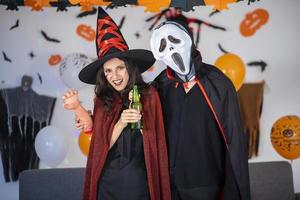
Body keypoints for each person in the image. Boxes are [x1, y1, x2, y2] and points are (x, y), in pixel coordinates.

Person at [62, 7, 171, 200]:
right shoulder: (103, 100)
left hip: (140, 182)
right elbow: (102, 144)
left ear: (129, 68)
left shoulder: (149, 94)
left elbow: (157, 141)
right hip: (109, 183)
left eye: (120, 68)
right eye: (108, 71)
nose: (115, 76)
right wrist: (120, 122)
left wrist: (141, 123)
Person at [150, 20, 250, 200]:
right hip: (171, 184)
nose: (171, 49)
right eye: (163, 45)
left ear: (188, 39)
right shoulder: (159, 86)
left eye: (174, 40)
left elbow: (233, 138)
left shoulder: (218, 82)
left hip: (207, 182)